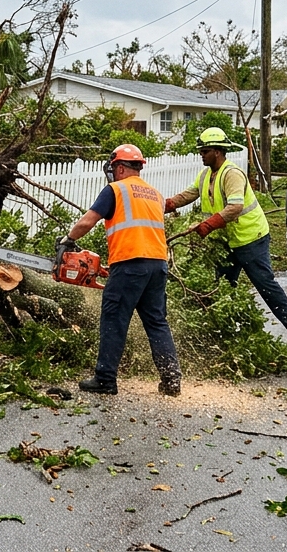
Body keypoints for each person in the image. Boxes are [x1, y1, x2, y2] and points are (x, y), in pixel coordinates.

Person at [164, 127, 287, 348]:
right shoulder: (206, 175)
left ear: (218, 152)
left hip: (250, 238)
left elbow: (235, 207)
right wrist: (167, 205)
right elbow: (190, 194)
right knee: (220, 286)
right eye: (201, 151)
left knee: (264, 284)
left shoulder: (231, 174)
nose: (201, 154)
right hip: (226, 242)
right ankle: (224, 331)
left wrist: (209, 224)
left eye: (205, 151)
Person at [57, 144, 181, 397]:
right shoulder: (155, 194)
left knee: (114, 319)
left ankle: (105, 379)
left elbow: (87, 221)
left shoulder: (115, 190)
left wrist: (67, 241)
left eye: (114, 169)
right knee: (157, 321)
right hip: (157, 264)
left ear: (120, 167)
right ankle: (171, 379)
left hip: (129, 263)